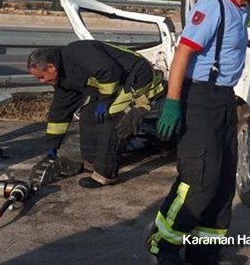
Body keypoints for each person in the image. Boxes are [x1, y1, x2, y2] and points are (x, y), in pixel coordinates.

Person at [147, 0, 250, 265]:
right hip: (198, 98)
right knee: (199, 177)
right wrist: (173, 103)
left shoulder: (240, 8)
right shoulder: (213, 6)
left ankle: (204, 252)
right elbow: (183, 55)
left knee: (222, 178)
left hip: (221, 99)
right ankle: (163, 245)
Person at [27, 40, 165, 188]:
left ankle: (105, 174)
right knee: (87, 114)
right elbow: (60, 110)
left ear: (51, 67)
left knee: (110, 119)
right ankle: (92, 161)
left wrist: (105, 100)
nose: (41, 81)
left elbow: (109, 71)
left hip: (137, 78)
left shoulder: (78, 52)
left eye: (41, 77)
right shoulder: (64, 78)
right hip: (115, 86)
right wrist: (53, 143)